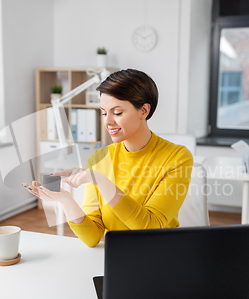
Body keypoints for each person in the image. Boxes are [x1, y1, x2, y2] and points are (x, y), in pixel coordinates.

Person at [23, 69, 193, 247]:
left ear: (144, 111)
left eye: (117, 113)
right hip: (115, 257)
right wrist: (65, 200)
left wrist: (100, 181)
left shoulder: (177, 157)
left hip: (160, 255)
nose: (107, 121)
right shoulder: (99, 158)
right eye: (104, 113)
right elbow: (92, 237)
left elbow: (150, 227)